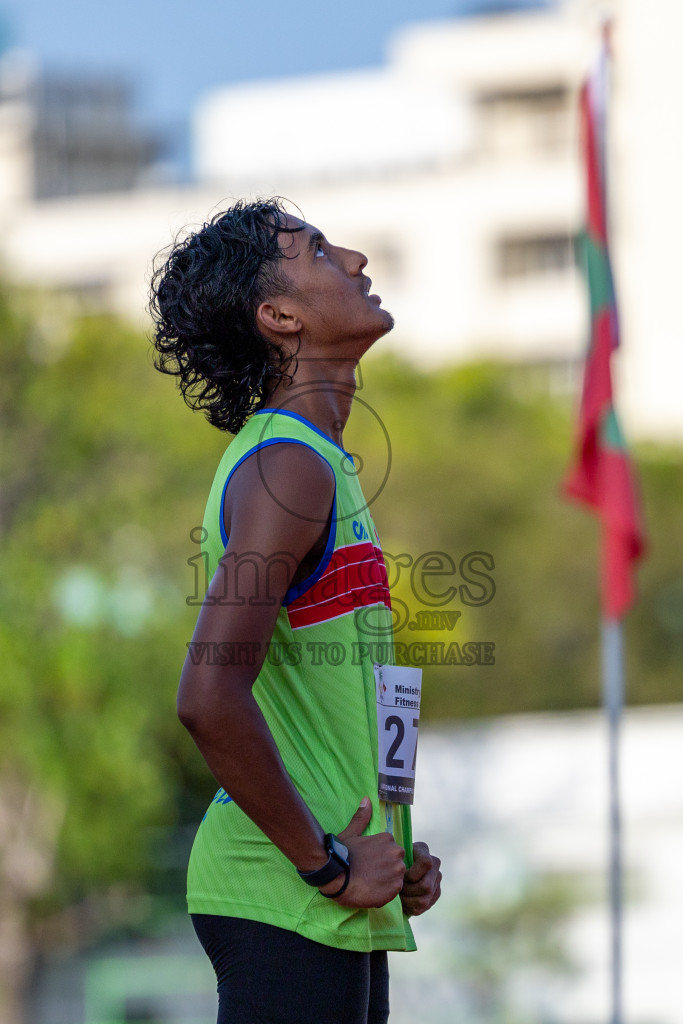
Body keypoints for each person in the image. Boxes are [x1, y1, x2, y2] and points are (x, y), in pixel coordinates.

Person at [149, 198, 441, 1024]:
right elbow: (206, 698)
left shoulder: (320, 464)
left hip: (333, 892)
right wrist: (326, 865)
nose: (353, 258)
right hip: (284, 888)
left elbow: (339, 698)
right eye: (316, 251)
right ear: (278, 316)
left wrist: (391, 841)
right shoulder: (288, 465)